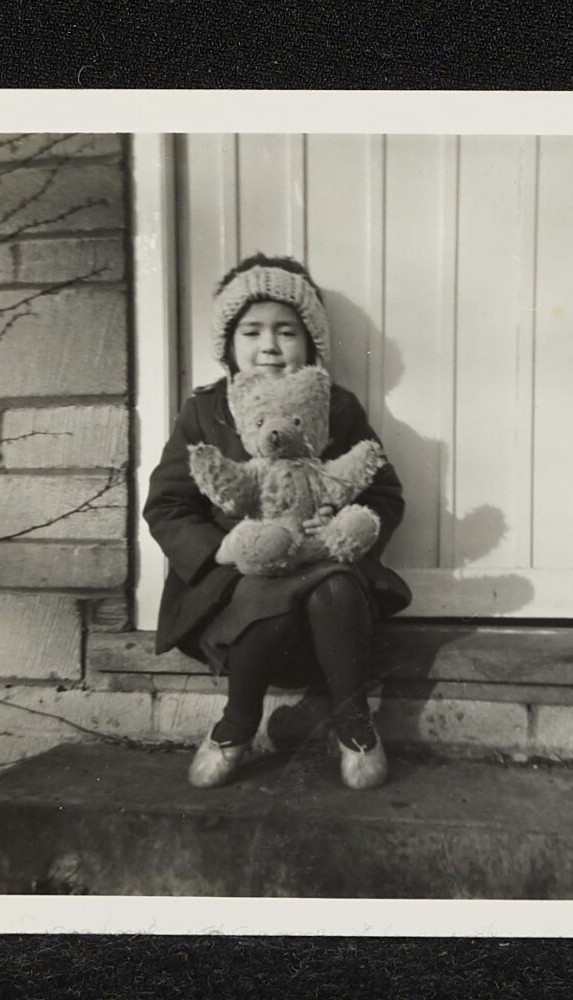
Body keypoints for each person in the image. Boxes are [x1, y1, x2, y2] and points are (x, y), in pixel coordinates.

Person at [143, 253, 411, 791]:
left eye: (286, 331)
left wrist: (349, 526)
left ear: (310, 343)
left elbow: (381, 489)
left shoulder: (335, 407)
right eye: (252, 331)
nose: (269, 345)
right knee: (265, 592)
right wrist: (223, 548)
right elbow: (167, 506)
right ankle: (238, 721)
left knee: (334, 586)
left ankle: (353, 722)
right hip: (239, 577)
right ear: (229, 345)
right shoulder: (204, 411)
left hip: (320, 563)